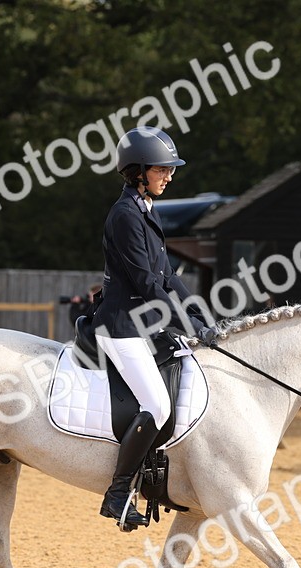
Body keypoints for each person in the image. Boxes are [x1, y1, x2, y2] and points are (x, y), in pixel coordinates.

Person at [91, 126, 216, 530]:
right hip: (122, 326)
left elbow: (168, 278)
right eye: (163, 169)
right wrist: (184, 322)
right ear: (139, 170)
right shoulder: (125, 215)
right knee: (158, 405)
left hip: (142, 325)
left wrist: (200, 318)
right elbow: (146, 283)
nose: (169, 176)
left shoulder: (146, 209)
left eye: (170, 170)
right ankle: (117, 493)